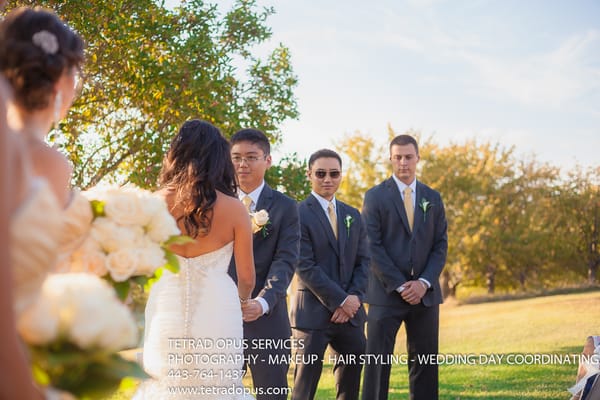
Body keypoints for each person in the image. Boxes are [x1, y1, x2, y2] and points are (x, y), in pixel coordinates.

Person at [136, 119, 256, 400]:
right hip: (220, 305)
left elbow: (141, 263)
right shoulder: (236, 209)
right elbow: (247, 277)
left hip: (166, 301)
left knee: (165, 381)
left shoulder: (152, 202)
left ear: (175, 155)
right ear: (219, 159)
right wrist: (241, 302)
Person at [361, 134, 448, 400]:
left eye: (408, 157)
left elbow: (440, 245)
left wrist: (423, 283)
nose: (403, 163)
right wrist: (400, 284)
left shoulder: (432, 198)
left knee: (425, 364)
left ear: (417, 158)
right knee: (376, 365)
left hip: (425, 296)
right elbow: (372, 246)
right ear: (390, 159)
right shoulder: (375, 197)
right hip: (385, 294)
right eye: (397, 157)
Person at [290, 149, 369, 400]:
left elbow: (364, 261)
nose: (328, 179)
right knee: (304, 390)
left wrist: (353, 299)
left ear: (341, 176)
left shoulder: (352, 215)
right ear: (309, 174)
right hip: (312, 316)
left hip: (351, 317)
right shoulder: (297, 214)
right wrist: (341, 300)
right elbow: (304, 265)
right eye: (321, 173)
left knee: (349, 390)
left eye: (334, 174)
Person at [228, 128, 300, 399]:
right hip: (222, 316)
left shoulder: (285, 207)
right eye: (236, 157)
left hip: (269, 319)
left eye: (251, 157)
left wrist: (263, 302)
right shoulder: (216, 203)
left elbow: (286, 260)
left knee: (272, 393)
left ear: (267, 160)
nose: (242, 164)